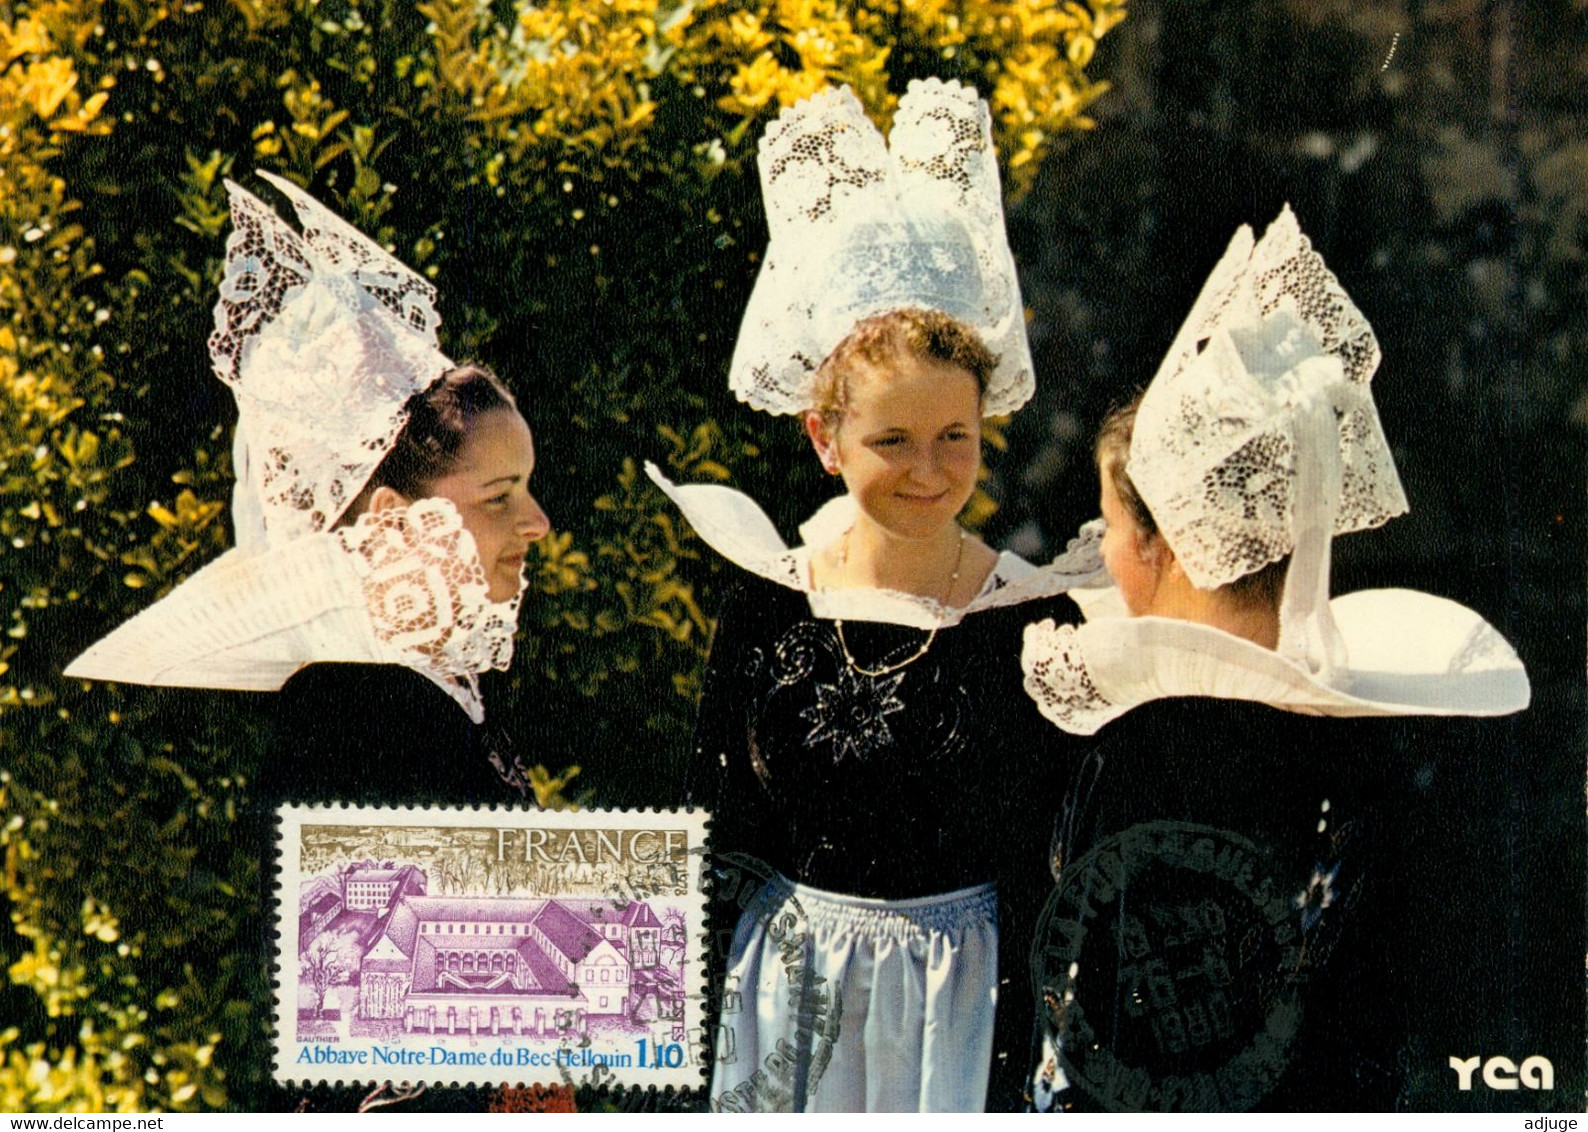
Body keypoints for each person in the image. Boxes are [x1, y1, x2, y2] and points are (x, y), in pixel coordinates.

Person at [650, 79, 1101, 1112]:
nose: (929, 472)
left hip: (959, 1015)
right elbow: (711, 831)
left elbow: (1051, 870)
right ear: (825, 438)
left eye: (956, 438)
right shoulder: (769, 605)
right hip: (783, 1003)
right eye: (890, 441)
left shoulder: (1029, 620)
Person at [1020, 205, 1531, 1111]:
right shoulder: (1378, 746)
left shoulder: (1135, 755)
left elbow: (1092, 1038)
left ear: (1161, 547)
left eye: (1112, 529)